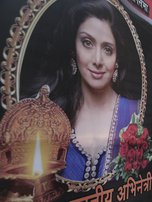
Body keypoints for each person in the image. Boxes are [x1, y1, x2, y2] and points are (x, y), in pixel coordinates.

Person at [35, 0, 143, 182]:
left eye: (108, 49)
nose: (98, 60)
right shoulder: (50, 112)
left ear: (117, 59)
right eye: (87, 43)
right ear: (73, 49)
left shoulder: (136, 112)